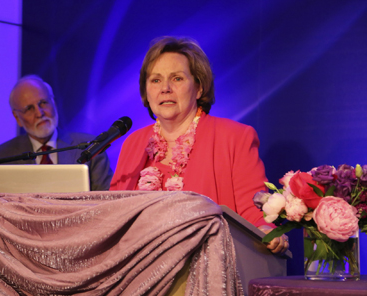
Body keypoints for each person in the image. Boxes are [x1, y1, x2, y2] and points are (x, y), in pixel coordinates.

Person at [110, 36, 288, 254]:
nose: (165, 88)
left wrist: (265, 230)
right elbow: (114, 213)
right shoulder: (134, 143)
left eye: (177, 78)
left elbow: (253, 209)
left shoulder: (234, 137)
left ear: (199, 88)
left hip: (209, 260)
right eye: (155, 80)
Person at [0, 75, 113, 191]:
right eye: (29, 109)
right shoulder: (2, 156)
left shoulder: (91, 146)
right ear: (17, 118)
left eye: (43, 103)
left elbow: (107, 200)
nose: (39, 113)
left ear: (53, 102)